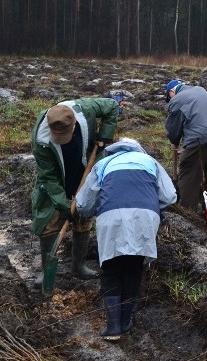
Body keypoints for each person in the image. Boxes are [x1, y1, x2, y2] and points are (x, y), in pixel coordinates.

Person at [75, 138, 176, 341]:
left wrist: (86, 209)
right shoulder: (150, 162)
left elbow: (84, 205)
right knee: (133, 267)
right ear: (138, 149)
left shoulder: (103, 164)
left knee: (111, 267)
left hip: (110, 217)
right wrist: (150, 205)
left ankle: (113, 327)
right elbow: (169, 196)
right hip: (145, 216)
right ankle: (126, 322)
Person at [30, 98, 120, 288]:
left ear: (74, 124)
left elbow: (112, 107)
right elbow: (49, 177)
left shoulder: (85, 110)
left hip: (83, 169)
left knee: (84, 216)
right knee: (49, 221)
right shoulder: (41, 140)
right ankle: (46, 270)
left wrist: (105, 136)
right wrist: (63, 205)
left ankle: (78, 266)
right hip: (58, 178)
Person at [165, 80, 207, 213]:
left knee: (189, 174)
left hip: (199, 138)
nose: (169, 99)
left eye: (169, 96)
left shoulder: (177, 99)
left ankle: (188, 214)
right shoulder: (200, 90)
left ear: (172, 92)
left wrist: (174, 141)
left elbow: (174, 129)